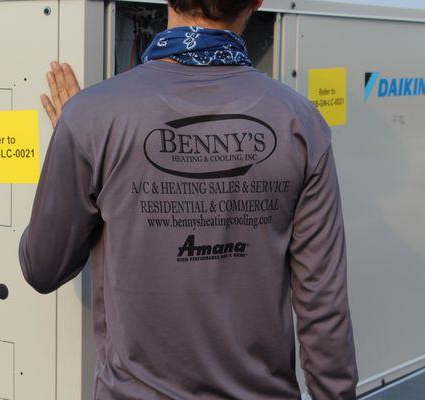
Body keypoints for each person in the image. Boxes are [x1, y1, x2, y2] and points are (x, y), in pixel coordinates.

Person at [18, 0, 359, 398]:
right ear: (258, 1)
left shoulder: (91, 118)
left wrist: (77, 145)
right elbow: (323, 305)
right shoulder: (301, 121)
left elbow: (42, 268)